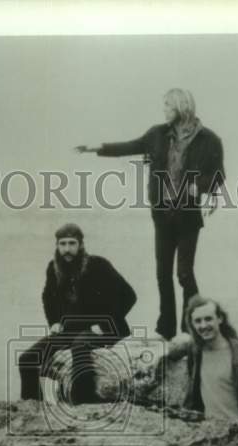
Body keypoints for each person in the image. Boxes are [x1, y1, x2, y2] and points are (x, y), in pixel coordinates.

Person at [75, 88, 225, 340]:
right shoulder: (157, 134)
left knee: (184, 273)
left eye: (167, 105)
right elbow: (130, 146)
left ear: (181, 106)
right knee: (162, 273)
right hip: (162, 212)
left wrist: (200, 187)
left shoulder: (209, 139)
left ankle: (190, 328)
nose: (164, 110)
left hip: (188, 214)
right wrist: (95, 148)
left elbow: (219, 174)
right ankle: (165, 329)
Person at [18, 223, 137, 404]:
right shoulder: (54, 268)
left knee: (80, 344)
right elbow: (48, 297)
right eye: (63, 244)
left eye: (72, 243)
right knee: (27, 359)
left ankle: (84, 400)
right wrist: (54, 322)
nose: (67, 249)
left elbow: (129, 296)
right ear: (57, 246)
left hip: (108, 330)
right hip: (71, 330)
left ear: (81, 245)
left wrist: (105, 323)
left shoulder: (99, 265)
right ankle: (32, 407)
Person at [161, 294, 238, 425]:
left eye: (208, 319)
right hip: (208, 431)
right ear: (192, 324)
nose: (203, 325)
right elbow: (174, 351)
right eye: (198, 321)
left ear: (220, 319)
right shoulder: (195, 349)